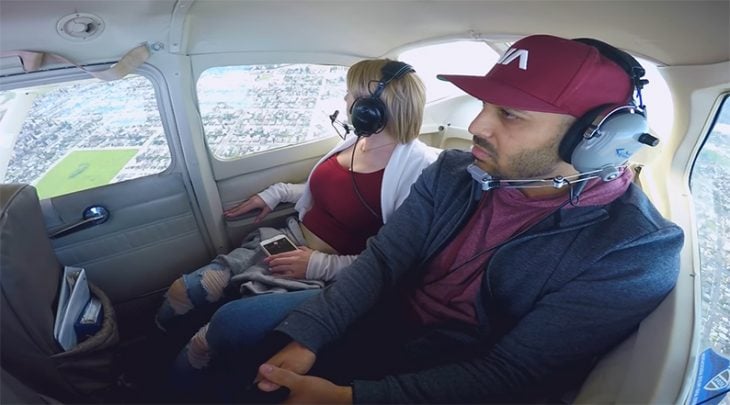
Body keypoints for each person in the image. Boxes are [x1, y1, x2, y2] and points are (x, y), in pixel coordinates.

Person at [238, 34, 685, 403]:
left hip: (461, 369)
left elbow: (513, 371)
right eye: (484, 104)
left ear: (598, 140)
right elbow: (383, 262)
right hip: (384, 318)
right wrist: (309, 338)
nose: (477, 125)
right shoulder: (455, 172)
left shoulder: (633, 249)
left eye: (509, 114)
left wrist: (350, 398)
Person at [159, 59, 440, 397]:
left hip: (329, 274)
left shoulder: (418, 171)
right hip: (286, 240)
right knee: (182, 290)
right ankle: (153, 345)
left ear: (374, 108)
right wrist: (275, 193)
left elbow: (398, 259)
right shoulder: (357, 141)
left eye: (352, 95)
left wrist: (318, 264)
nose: (346, 101)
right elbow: (327, 188)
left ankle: (166, 393)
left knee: (206, 340)